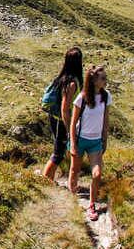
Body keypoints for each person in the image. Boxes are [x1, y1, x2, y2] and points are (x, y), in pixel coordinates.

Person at [70, 64, 112, 221]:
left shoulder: (106, 96)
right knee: (74, 170)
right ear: (94, 80)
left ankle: (92, 204)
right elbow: (73, 123)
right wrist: (73, 143)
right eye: (103, 78)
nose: (105, 81)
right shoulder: (82, 98)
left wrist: (104, 140)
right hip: (80, 139)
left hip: (95, 141)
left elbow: (106, 120)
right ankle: (71, 199)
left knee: (97, 173)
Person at [40, 47, 84, 185]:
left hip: (56, 118)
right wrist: (70, 127)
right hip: (61, 121)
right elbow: (65, 108)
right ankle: (45, 180)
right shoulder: (72, 83)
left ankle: (49, 179)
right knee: (58, 153)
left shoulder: (62, 78)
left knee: (59, 151)